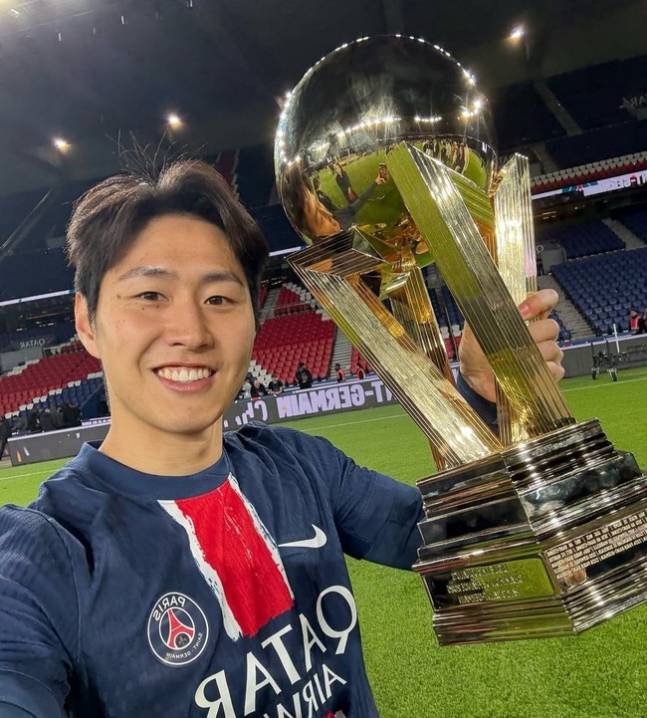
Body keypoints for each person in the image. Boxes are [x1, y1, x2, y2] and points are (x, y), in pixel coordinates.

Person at [0, 160, 564, 717]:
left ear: (254, 319)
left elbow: (465, 549)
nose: (191, 332)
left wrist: (483, 398)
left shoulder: (299, 465)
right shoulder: (43, 556)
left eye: (219, 298)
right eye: (150, 295)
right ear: (87, 320)